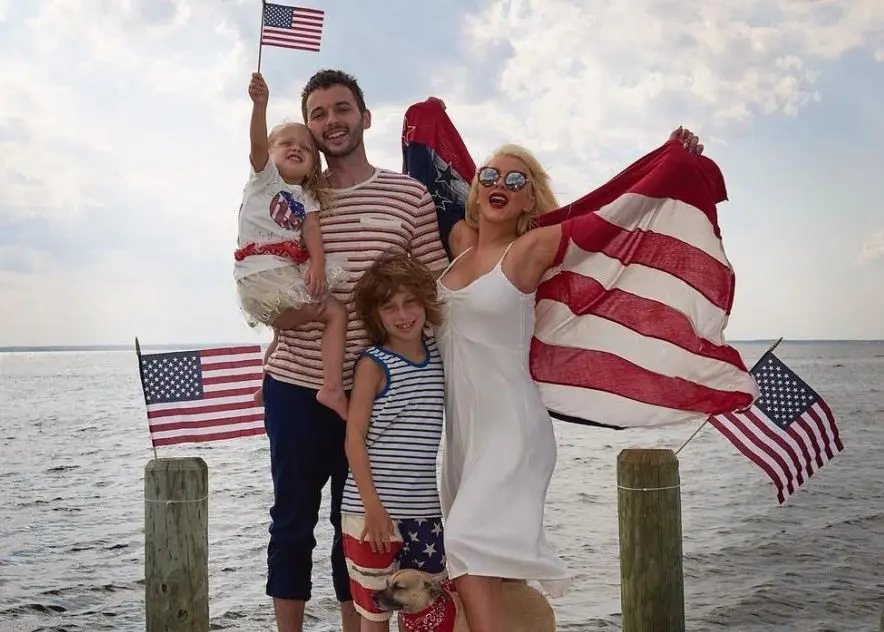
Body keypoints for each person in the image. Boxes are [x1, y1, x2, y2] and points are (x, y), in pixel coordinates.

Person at [436, 129, 703, 632]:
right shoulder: (458, 249)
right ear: (475, 190)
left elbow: (613, 214)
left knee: (465, 545)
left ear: (529, 198)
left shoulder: (529, 249)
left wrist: (668, 161)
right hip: (465, 437)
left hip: (513, 430)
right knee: (479, 565)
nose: (499, 184)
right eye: (489, 176)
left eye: (515, 180)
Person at [259, 69, 450, 632]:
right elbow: (260, 277)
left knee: (362, 527)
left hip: (377, 398)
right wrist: (278, 331)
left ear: (365, 117)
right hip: (296, 384)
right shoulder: (287, 195)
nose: (330, 122)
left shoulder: (408, 196)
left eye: (341, 109)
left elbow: (438, 292)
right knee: (291, 523)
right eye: (318, 114)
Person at [341, 251, 447, 631]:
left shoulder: (440, 353)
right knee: (375, 614)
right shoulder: (373, 363)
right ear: (376, 315)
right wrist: (372, 506)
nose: (403, 315)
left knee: (426, 617)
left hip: (427, 512)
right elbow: (353, 438)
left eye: (410, 302)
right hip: (370, 513)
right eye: (390, 308)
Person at [234, 71, 349, 419]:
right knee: (336, 312)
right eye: (287, 144)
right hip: (262, 276)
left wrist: (316, 262)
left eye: (306, 148)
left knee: (281, 334)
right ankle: (332, 388)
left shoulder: (306, 196)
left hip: (279, 275)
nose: (297, 148)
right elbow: (256, 144)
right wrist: (260, 106)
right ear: (269, 155)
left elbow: (312, 230)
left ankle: (266, 381)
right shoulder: (264, 179)